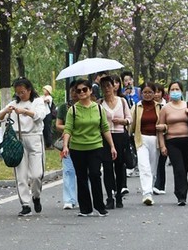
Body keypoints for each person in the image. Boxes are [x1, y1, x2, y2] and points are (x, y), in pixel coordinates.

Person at [61, 79, 115, 217]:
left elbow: (105, 128)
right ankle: (85, 208)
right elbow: (68, 129)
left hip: (95, 146)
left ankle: (100, 206)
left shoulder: (98, 108)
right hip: (77, 148)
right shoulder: (72, 110)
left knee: (95, 174)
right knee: (81, 177)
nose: (82, 92)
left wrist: (112, 146)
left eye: (85, 89)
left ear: (90, 91)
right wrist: (66, 146)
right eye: (78, 90)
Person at [0, 77, 49, 217]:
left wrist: (24, 111)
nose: (20, 95)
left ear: (29, 90)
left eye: (23, 92)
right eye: (18, 92)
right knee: (21, 175)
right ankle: (25, 204)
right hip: (18, 140)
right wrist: (6, 111)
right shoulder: (14, 103)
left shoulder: (38, 102)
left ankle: (36, 196)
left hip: (34, 138)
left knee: (37, 175)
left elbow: (40, 115)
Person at [160, 80, 188, 206]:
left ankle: (181, 191)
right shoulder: (165, 108)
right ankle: (181, 196)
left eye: (177, 89)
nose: (175, 92)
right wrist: (162, 145)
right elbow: (159, 127)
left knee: (184, 169)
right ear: (169, 92)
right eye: (172, 89)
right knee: (179, 169)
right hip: (172, 142)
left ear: (181, 91)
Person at [99, 75, 133, 208]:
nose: (106, 89)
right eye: (103, 86)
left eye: (108, 85)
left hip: (120, 137)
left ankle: (119, 194)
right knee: (107, 168)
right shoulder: (100, 104)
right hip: (105, 138)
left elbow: (130, 118)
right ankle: (109, 197)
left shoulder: (122, 101)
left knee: (119, 167)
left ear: (114, 86)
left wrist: (123, 121)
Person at [131, 82, 166, 205]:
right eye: (145, 92)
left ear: (154, 93)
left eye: (150, 92)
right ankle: (147, 193)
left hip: (156, 140)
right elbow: (131, 124)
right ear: (141, 93)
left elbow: (166, 124)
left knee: (152, 168)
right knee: (144, 166)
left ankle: (149, 187)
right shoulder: (136, 107)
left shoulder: (160, 107)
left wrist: (164, 128)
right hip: (141, 140)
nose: (147, 95)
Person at [56, 85, 79, 210]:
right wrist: (69, 128)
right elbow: (58, 125)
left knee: (83, 173)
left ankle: (83, 198)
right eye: (73, 91)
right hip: (68, 143)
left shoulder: (87, 106)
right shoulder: (64, 108)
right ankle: (69, 199)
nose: (75, 94)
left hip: (83, 144)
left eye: (78, 91)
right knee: (68, 171)